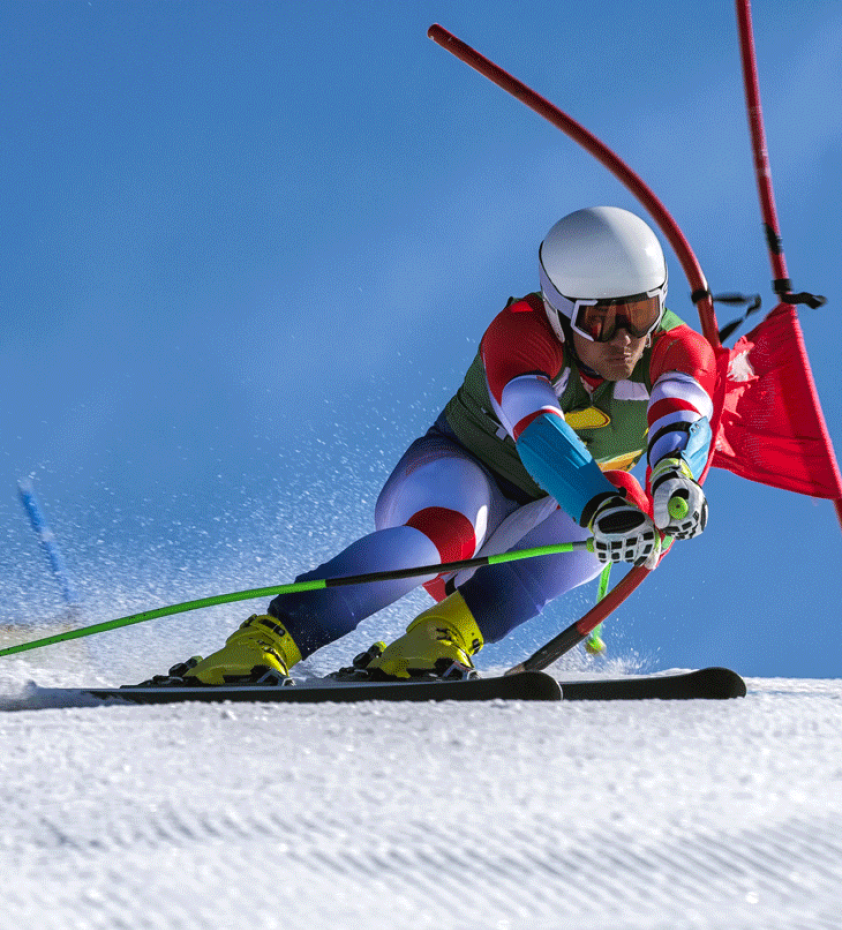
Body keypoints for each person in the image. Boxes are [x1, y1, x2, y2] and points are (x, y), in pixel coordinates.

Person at [164, 206, 716, 685]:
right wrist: (598, 507)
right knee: (458, 527)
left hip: (535, 519)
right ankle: (272, 636)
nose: (624, 340)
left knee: (630, 501)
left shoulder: (676, 347)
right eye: (600, 320)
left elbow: (683, 413)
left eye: (639, 314)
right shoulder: (520, 332)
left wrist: (674, 479)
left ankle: (441, 635)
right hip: (450, 478)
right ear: (560, 309)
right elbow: (538, 431)